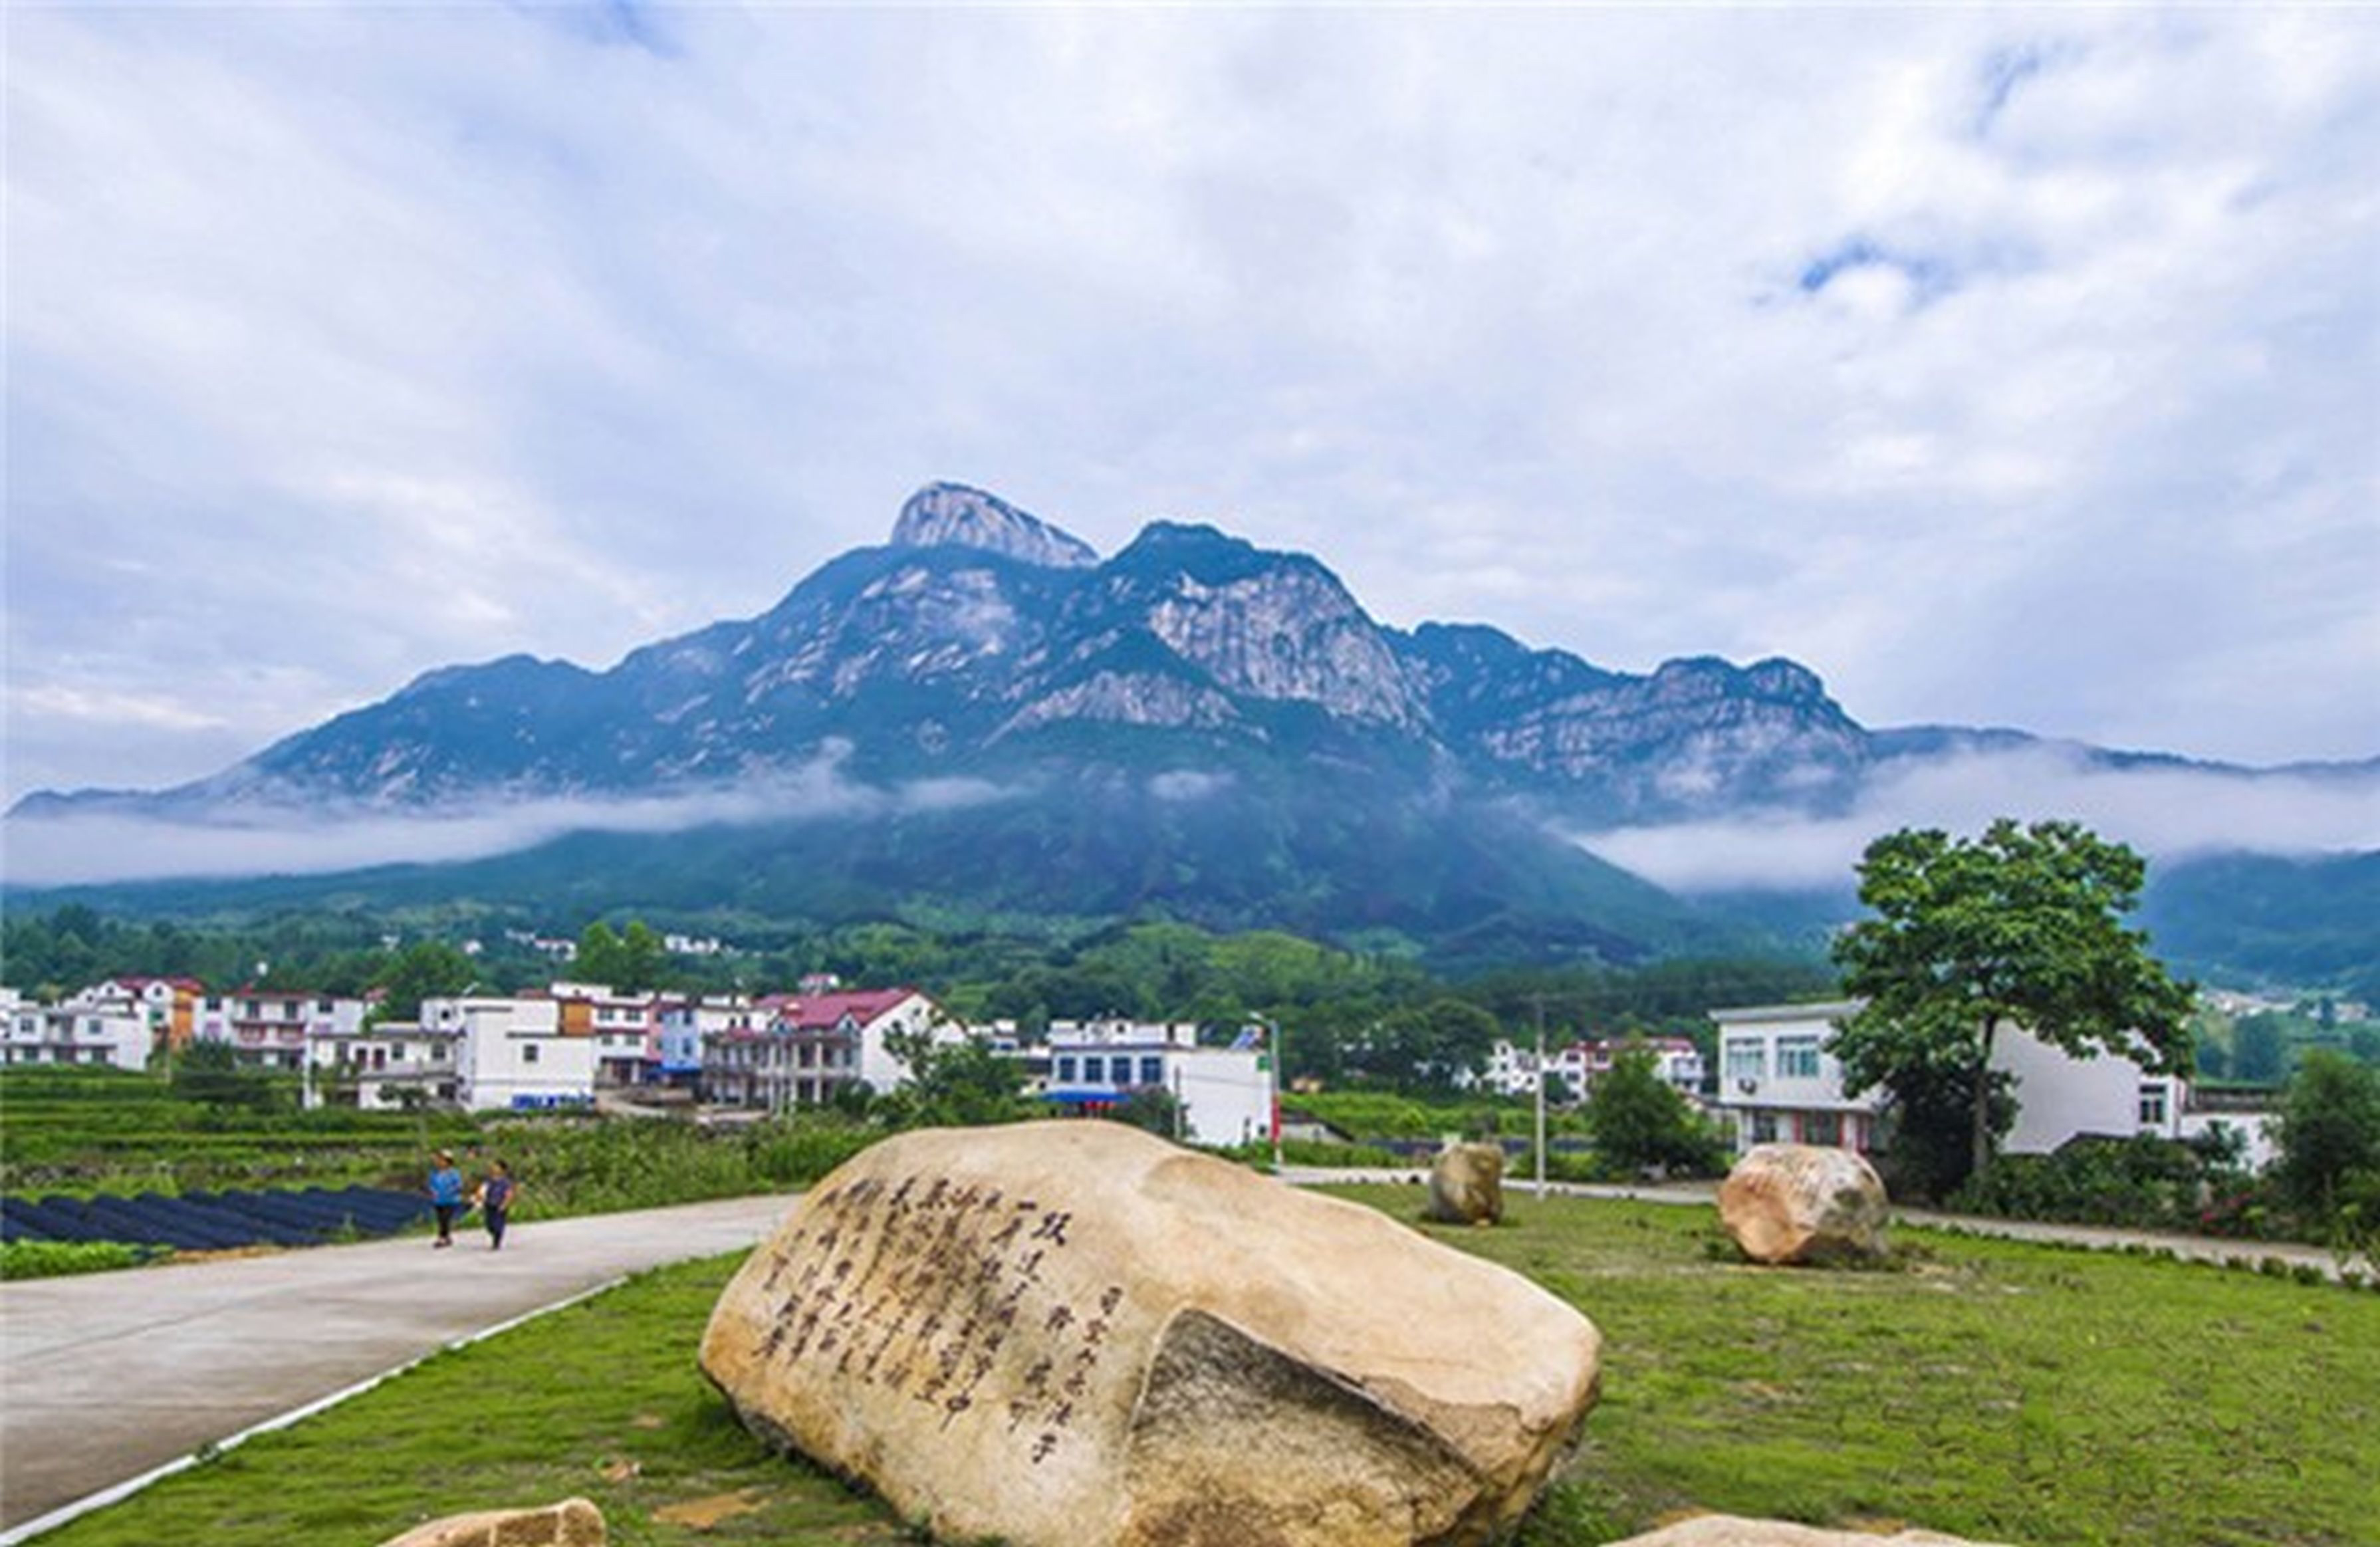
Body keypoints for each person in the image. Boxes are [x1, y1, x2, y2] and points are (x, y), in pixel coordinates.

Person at [474, 1159, 517, 1251]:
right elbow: (482, 1190)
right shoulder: (488, 1181)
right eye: (494, 1166)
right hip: (489, 1204)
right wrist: (479, 1199)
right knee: (489, 1223)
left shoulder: (505, 1182)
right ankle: (493, 1233)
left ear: (502, 1170)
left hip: (500, 1205)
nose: (494, 1168)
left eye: (497, 1167)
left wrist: (505, 1203)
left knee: (498, 1224)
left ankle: (497, 1241)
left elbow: (509, 1194)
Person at [425, 1149, 464, 1249]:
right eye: (439, 1160)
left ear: (448, 1162)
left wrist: (451, 1191)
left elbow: (458, 1186)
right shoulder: (434, 1173)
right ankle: (447, 1237)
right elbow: (431, 1185)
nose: (439, 1162)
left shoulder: (454, 1173)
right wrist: (432, 1191)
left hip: (451, 1200)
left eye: (442, 1160)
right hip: (438, 1200)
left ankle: (442, 1237)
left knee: (445, 1219)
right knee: (440, 1219)